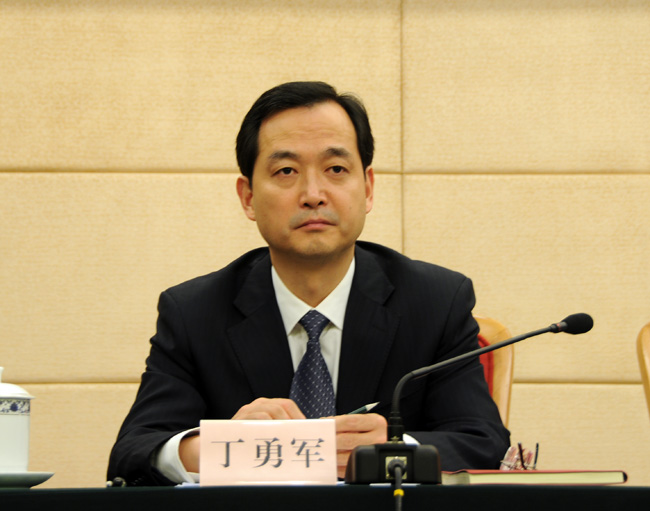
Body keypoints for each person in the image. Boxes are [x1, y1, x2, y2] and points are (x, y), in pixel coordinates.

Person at [107, 81, 510, 486]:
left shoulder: (435, 302)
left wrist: (394, 448)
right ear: (248, 196)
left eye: (336, 169)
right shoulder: (194, 313)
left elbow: (484, 444)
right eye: (286, 171)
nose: (313, 195)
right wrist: (227, 447)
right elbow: (133, 453)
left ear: (368, 188)